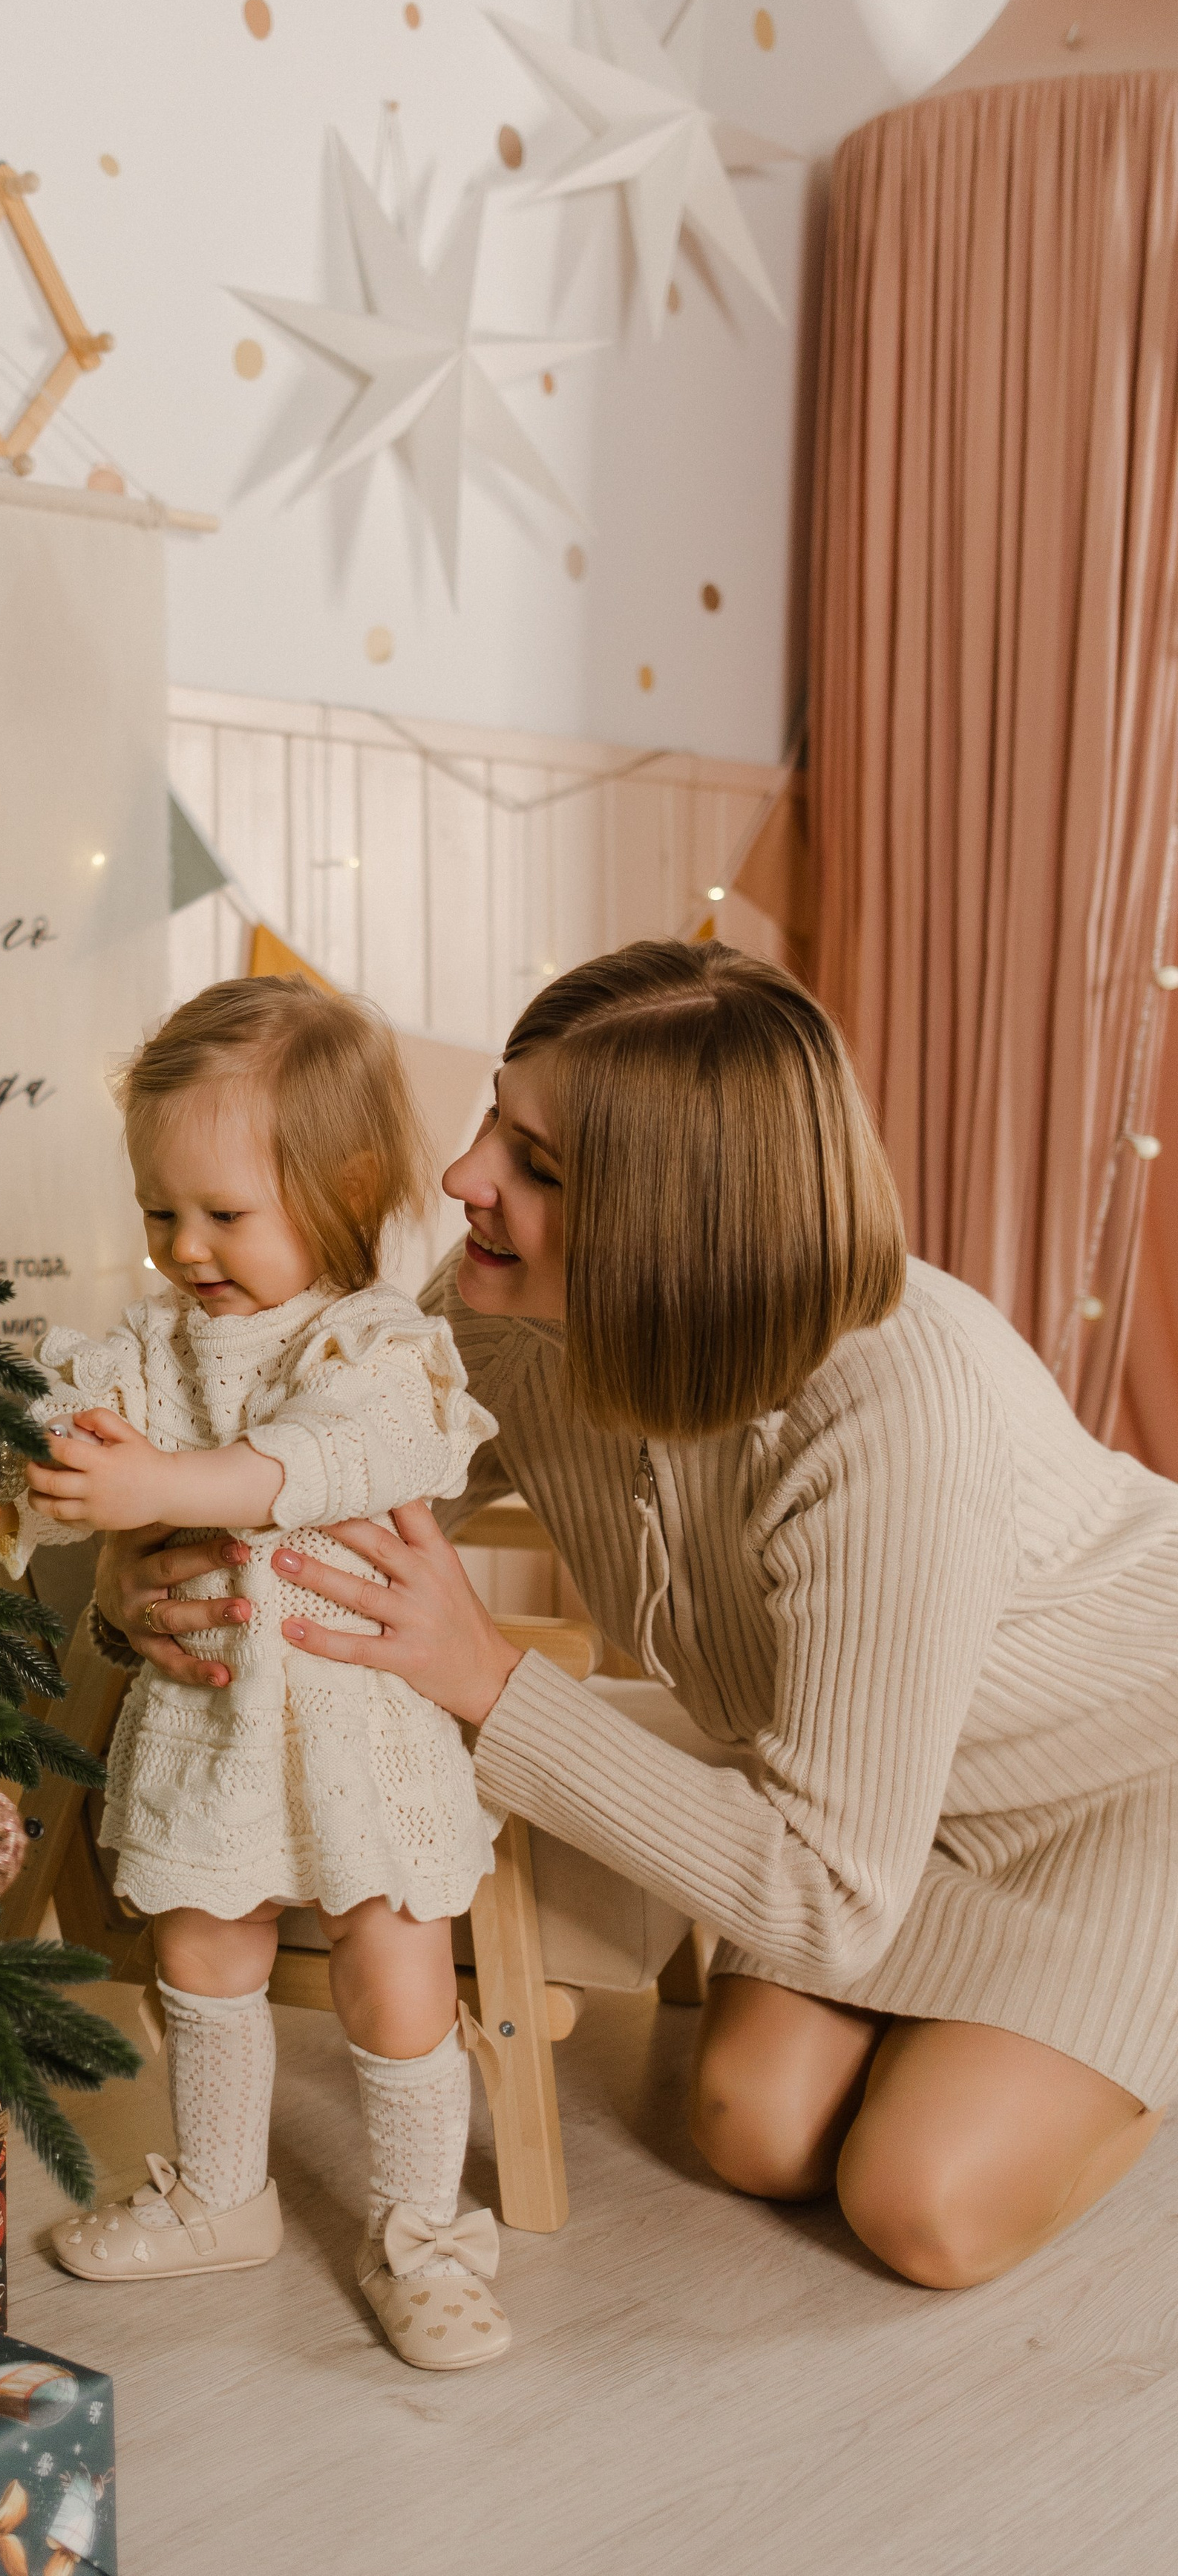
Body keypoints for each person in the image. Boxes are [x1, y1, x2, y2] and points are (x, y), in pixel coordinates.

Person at [85, 939, 1178, 2292]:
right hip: (876, 1809)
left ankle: (1119, 2018)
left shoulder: (898, 1414)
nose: (464, 1177)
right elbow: (310, 1506)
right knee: (752, 2127)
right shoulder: (497, 1309)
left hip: (1122, 1777)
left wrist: (489, 1682)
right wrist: (135, 1582)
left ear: (675, 1220)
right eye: (496, 1119)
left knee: (924, 2209)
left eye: (537, 1165)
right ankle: (1012, 2040)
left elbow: (827, 1899)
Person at [0, 975, 516, 2370]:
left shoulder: (379, 1346)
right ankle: (224, 2194)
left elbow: (312, 1463)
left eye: (223, 1214)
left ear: (340, 1191)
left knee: (394, 1966)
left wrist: (162, 1486)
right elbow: (62, 1441)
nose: (185, 1247)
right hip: (212, 1718)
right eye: (159, 1211)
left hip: (358, 1722)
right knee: (202, 1944)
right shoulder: (150, 1346)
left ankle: (423, 2229)